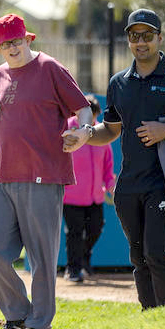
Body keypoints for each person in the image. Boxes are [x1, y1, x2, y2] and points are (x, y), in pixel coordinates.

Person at [75, 9, 165, 310]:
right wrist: (85, 134)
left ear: (159, 38)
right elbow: (110, 130)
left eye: (148, 35)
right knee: (138, 258)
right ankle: (150, 315)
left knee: (157, 253)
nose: (141, 42)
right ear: (128, 40)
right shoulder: (118, 83)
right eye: (134, 36)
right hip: (128, 186)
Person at [0, 14, 93, 329]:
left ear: (28, 39)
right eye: (5, 44)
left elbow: (83, 109)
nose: (12, 48)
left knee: (41, 256)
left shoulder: (49, 68)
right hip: (2, 174)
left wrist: (83, 133)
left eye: (17, 41)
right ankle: (16, 316)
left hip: (43, 174)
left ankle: (38, 322)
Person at [62, 95, 116, 283]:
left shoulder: (100, 133)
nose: (92, 122)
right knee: (75, 232)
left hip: (95, 196)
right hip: (71, 195)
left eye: (94, 118)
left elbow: (108, 166)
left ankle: (83, 259)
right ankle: (73, 269)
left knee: (96, 228)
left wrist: (111, 185)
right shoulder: (68, 129)